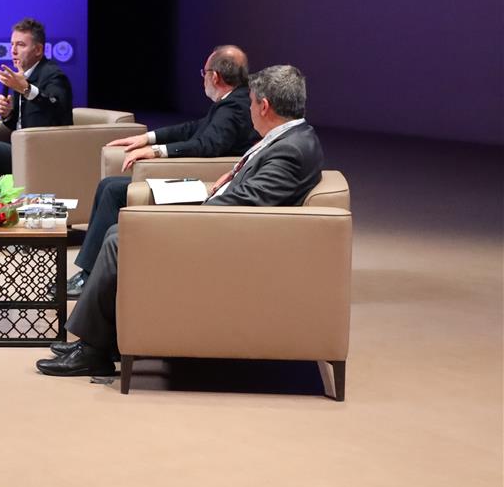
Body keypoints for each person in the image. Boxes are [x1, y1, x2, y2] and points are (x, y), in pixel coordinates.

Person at [37, 64, 324, 377]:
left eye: (252, 103)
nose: (249, 109)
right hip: (225, 221)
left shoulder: (290, 151)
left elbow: (242, 206)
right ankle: (99, 344)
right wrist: (230, 178)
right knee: (119, 225)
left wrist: (177, 217)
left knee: (120, 238)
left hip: (226, 239)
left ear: (264, 106)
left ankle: (93, 350)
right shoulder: (291, 137)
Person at [66, 46, 260, 298]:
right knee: (109, 185)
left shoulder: (234, 106)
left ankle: (91, 276)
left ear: (215, 77)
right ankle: (89, 272)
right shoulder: (233, 101)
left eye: (204, 73)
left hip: (206, 185)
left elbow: (207, 145)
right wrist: (147, 138)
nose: (202, 78)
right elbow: (194, 128)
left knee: (114, 190)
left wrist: (157, 152)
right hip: (202, 177)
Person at [0, 18, 72, 175]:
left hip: (45, 151)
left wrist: (26, 89)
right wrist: (8, 115)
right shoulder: (21, 76)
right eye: (12, 44)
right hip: (22, 147)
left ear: (38, 50)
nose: (13, 51)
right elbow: (22, 124)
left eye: (21, 45)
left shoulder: (53, 75)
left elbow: (56, 106)